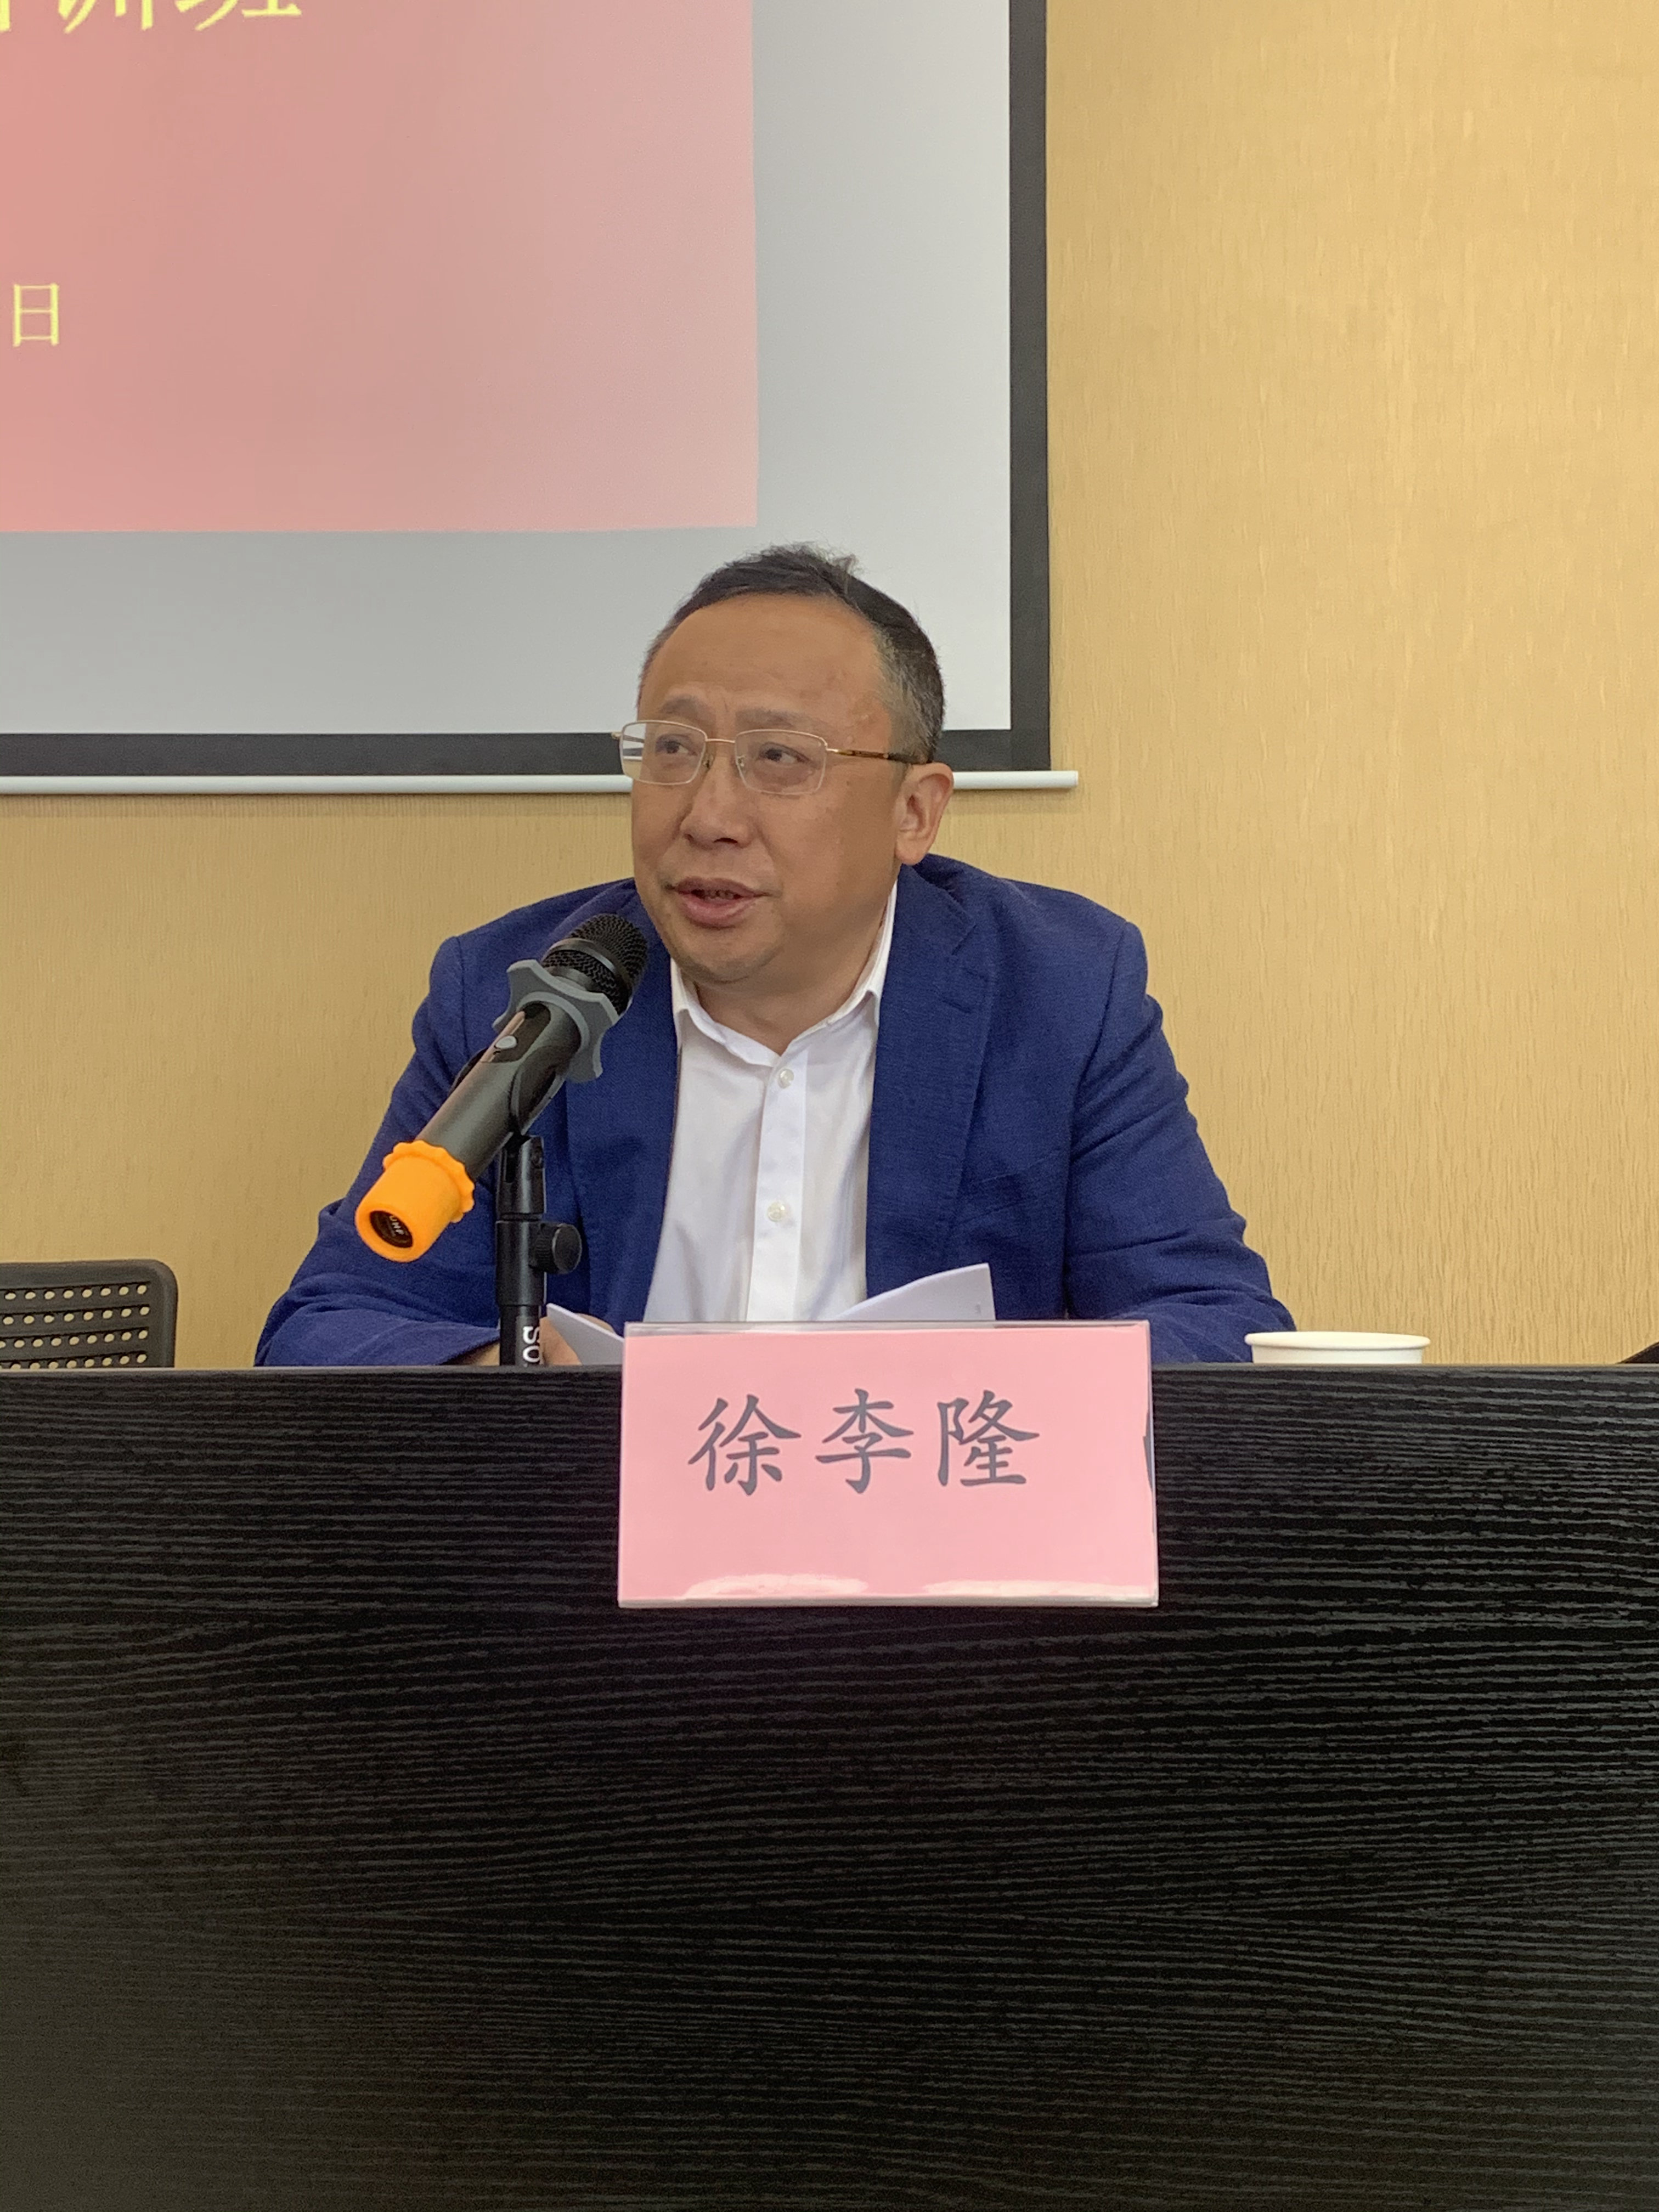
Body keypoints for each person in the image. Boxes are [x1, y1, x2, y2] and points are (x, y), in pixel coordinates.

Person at [257, 545, 1291, 1368]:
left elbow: (1214, 1324)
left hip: (934, 1553)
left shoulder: (1060, 991)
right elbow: (330, 1325)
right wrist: (488, 1374)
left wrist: (987, 1405)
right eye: (672, 750)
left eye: (779, 759)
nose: (708, 814)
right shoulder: (523, 994)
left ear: (916, 811)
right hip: (601, 1550)